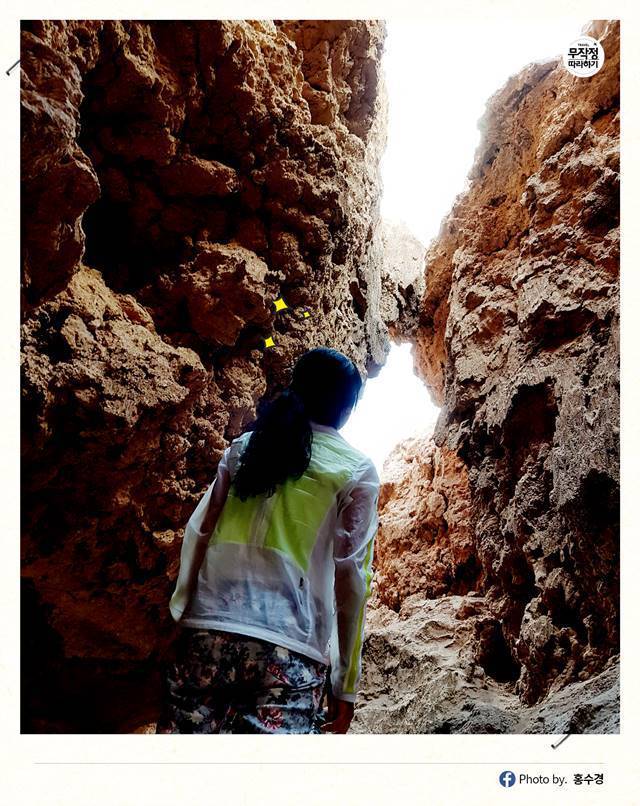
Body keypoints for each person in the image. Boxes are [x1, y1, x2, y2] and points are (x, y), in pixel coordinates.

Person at [155, 347, 380, 735]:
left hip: (207, 632)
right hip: (289, 648)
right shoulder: (355, 470)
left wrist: (180, 613)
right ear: (347, 407)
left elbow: (199, 531)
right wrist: (345, 684)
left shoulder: (246, 447)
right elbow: (352, 579)